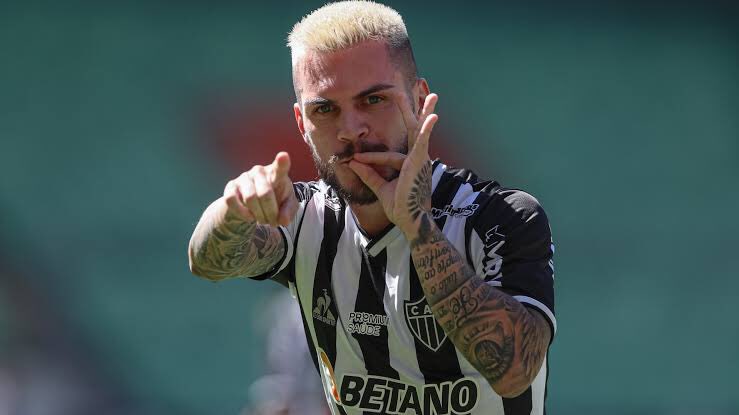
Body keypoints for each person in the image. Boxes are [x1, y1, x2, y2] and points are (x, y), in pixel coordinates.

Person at [188, 2, 555, 414]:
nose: (351, 130)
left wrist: (417, 227)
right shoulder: (306, 219)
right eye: (325, 109)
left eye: (374, 99)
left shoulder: (502, 217)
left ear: (418, 100)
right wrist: (233, 209)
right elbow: (207, 261)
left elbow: (514, 371)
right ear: (301, 124)